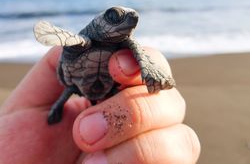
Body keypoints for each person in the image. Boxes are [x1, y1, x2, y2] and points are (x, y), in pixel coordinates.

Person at [0, 46, 200, 164]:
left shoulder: (125, 45)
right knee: (68, 92)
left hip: (107, 88)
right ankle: (57, 107)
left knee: (133, 103)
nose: (129, 22)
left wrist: (153, 77)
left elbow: (141, 59)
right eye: (118, 17)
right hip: (78, 85)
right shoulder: (82, 43)